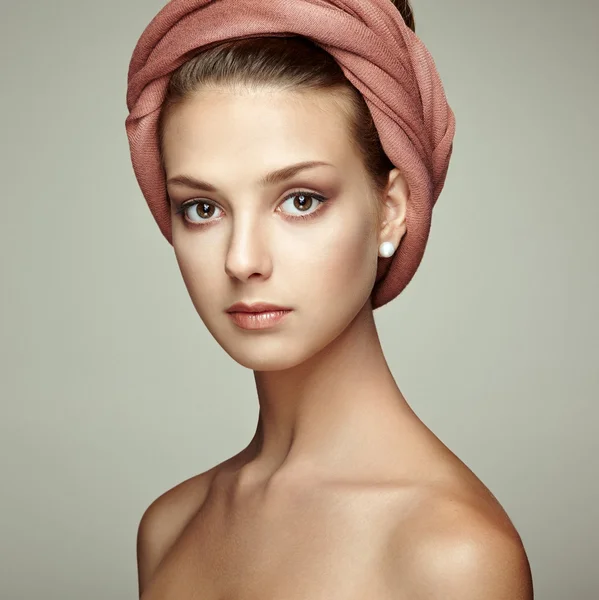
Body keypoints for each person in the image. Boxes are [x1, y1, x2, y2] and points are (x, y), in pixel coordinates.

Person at [127, 1, 533, 598]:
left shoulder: (453, 556)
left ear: (391, 210)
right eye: (203, 208)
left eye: (300, 200)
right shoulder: (168, 527)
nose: (242, 260)